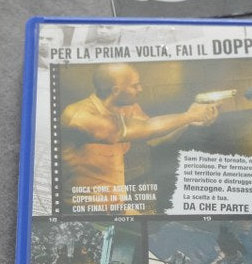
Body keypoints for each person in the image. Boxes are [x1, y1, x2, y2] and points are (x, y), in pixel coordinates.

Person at [60, 63, 218, 212]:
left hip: (116, 206)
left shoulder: (128, 108)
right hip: (81, 209)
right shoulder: (81, 116)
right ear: (116, 90)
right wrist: (189, 115)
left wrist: (191, 122)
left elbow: (157, 138)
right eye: (135, 85)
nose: (140, 89)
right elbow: (148, 127)